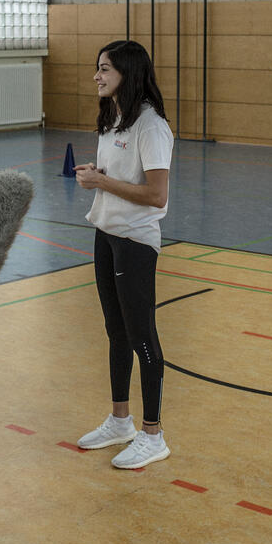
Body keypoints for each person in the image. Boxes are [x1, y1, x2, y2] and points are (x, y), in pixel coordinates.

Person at [73, 39, 174, 470]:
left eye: (105, 69)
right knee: (116, 333)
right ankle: (120, 422)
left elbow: (156, 195)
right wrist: (98, 177)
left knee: (142, 338)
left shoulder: (150, 127)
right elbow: (117, 179)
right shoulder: (113, 118)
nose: (97, 76)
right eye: (97, 68)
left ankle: (154, 435)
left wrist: (101, 183)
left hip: (134, 242)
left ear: (127, 74)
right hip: (105, 232)